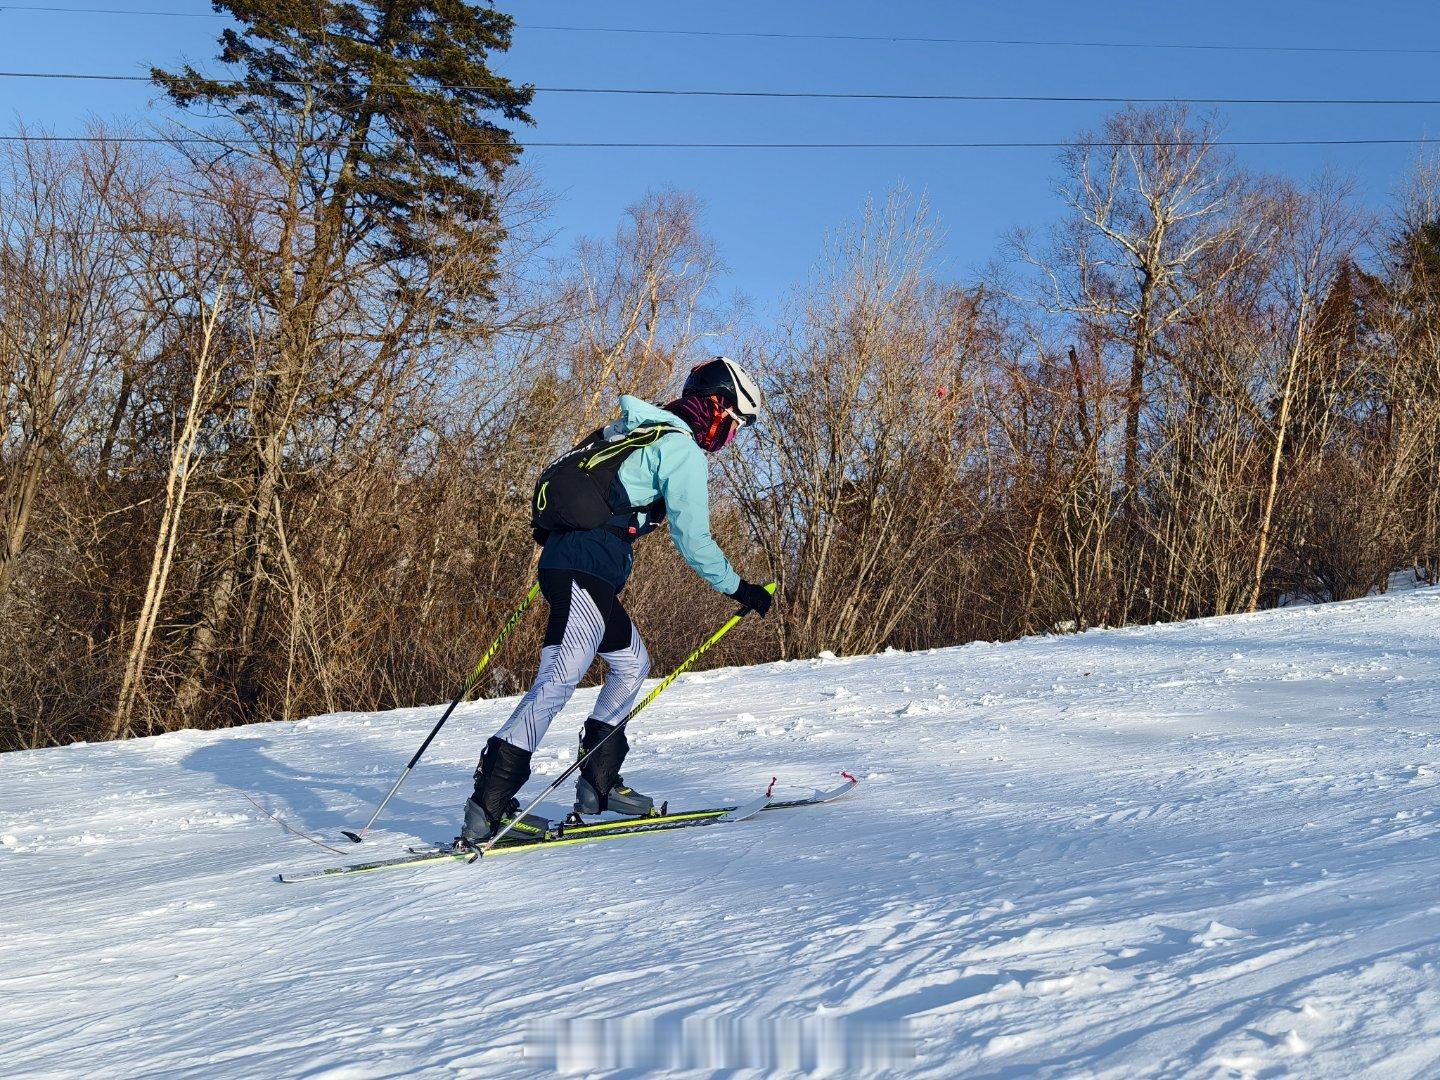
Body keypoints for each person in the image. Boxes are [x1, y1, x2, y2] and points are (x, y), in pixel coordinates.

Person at [459, 357, 774, 846]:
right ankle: (489, 805)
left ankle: (597, 787)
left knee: (632, 664)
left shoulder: (629, 429)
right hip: (584, 568)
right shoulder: (680, 449)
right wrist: (741, 589)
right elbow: (695, 540)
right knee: (559, 678)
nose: (726, 439)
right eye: (730, 426)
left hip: (577, 563)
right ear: (715, 409)